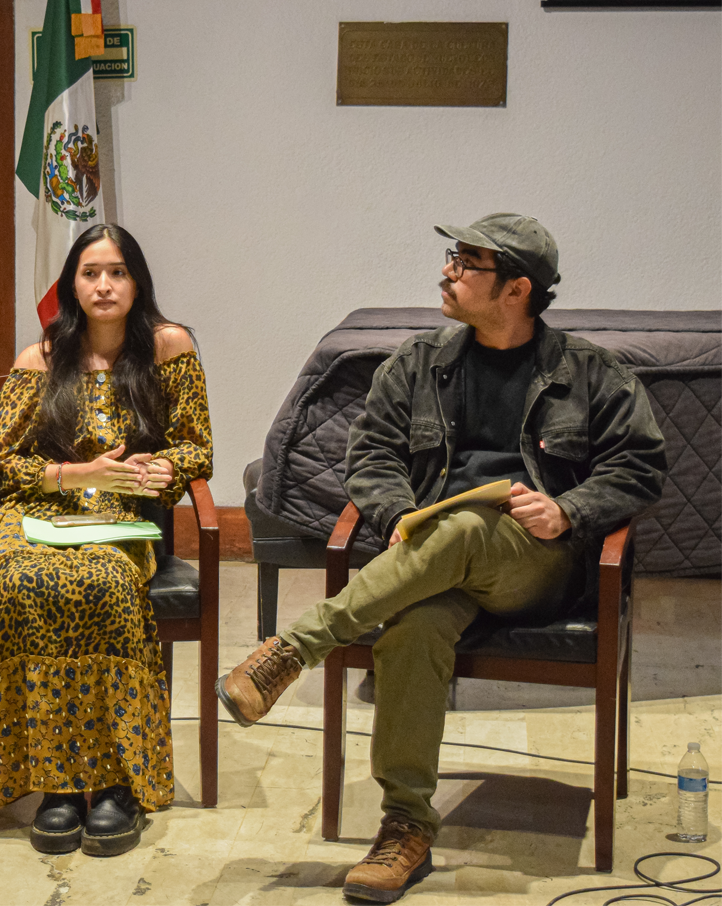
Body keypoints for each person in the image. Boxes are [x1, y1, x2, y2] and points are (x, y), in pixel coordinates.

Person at [216, 214, 665, 903]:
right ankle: (406, 827)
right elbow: (371, 454)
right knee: (412, 626)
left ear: (516, 288)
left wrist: (568, 510)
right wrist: (399, 515)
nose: (448, 271)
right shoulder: (418, 363)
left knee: (465, 528)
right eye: (453, 256)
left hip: (537, 566)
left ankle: (293, 649)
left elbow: (639, 466)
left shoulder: (589, 373)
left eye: (467, 262)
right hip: (436, 560)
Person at [0, 223, 212, 856]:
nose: (104, 285)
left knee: (99, 583)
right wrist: (77, 474)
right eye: (90, 273)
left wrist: (163, 469)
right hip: (33, 511)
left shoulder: (169, 346)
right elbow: (0, 466)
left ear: (137, 282)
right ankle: (57, 783)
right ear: (71, 285)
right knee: (19, 581)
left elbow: (196, 447)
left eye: (117, 272)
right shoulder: (40, 358)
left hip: (120, 516)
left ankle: (114, 783)